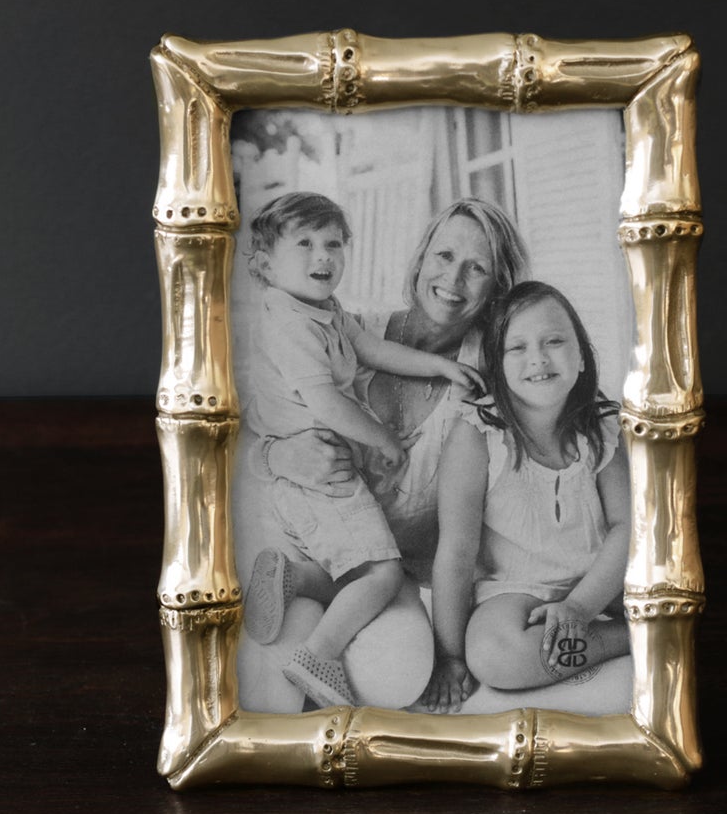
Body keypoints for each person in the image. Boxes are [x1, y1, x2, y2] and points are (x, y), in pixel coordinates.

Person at [247, 198, 528, 712]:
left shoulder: (484, 384)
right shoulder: (340, 325)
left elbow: (461, 536)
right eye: (445, 256)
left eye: (477, 268)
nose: (453, 279)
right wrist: (276, 456)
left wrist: (452, 653)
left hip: (383, 566)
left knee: (397, 673)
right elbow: (247, 418)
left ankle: (302, 609)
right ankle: (302, 662)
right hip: (302, 525)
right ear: (421, 258)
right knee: (267, 664)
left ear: (497, 287)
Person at [432, 281, 631, 696]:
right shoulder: (476, 435)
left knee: (675, 591)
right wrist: (449, 656)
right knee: (495, 656)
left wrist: (580, 606)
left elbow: (625, 527)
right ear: (498, 366)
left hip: (600, 580)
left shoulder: (601, 425)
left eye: (554, 341)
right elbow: (456, 553)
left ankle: (621, 628)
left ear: (581, 356)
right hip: (516, 588)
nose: (538, 358)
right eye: (517, 347)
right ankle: (628, 638)